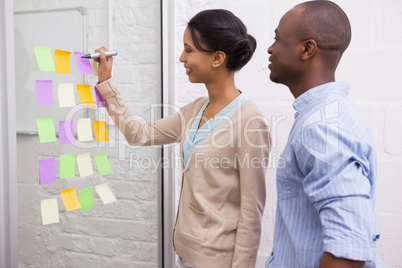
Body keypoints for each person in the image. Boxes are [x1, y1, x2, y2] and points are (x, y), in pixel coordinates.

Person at [94, 9, 271, 268]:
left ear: (217, 58)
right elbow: (139, 134)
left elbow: (251, 213)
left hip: (217, 261)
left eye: (189, 50)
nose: (181, 58)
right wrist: (107, 82)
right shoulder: (195, 109)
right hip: (185, 254)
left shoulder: (250, 121)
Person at [266, 1, 380, 267]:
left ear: (307, 49)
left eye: (278, 39)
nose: (270, 48)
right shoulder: (323, 115)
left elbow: (347, 253)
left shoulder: (323, 125)